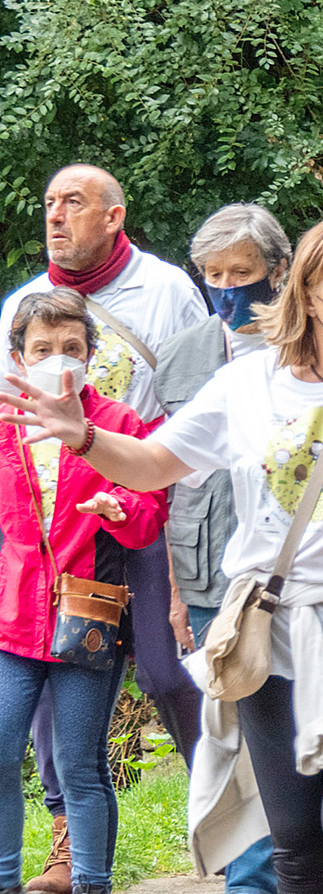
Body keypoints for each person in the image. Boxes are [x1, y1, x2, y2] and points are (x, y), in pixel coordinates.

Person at [2, 216, 323, 894]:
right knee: (297, 839)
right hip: (271, 629)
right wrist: (84, 436)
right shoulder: (246, 384)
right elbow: (155, 463)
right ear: (307, 295)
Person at [0, 165, 208, 887]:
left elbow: (195, 410)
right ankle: (63, 846)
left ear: (115, 216)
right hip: (36, 567)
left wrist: (149, 515)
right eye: (49, 202)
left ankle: (224, 802)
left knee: (165, 670)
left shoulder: (166, 291)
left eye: (75, 204)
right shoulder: (19, 312)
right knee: (30, 704)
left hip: (136, 521)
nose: (56, 216)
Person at [0, 290, 162, 894]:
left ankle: (92, 883)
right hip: (13, 619)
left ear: (90, 356)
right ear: (18, 357)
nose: (57, 359)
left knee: (79, 763)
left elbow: (149, 514)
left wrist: (116, 508)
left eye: (71, 348)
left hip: (86, 617)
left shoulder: (117, 424)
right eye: (42, 349)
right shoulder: (5, 422)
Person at [155, 205, 293, 894]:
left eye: (243, 272)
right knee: (238, 742)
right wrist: (177, 593)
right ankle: (253, 884)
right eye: (213, 275)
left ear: (278, 270)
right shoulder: (182, 356)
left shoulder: (312, 342)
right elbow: (166, 478)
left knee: (300, 749)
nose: (228, 288)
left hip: (301, 573)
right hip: (213, 580)